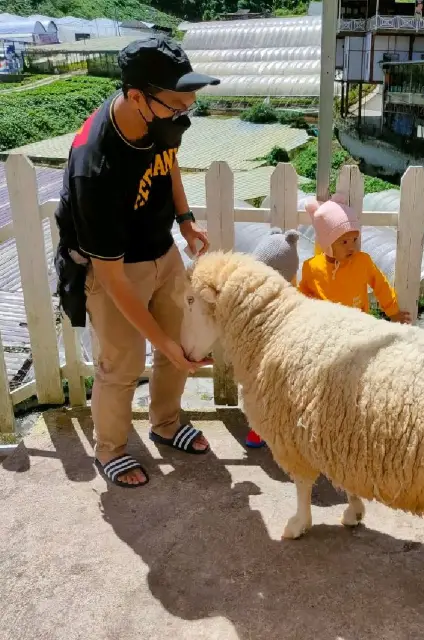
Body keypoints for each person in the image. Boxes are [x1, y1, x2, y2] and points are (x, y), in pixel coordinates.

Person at [54, 35, 220, 488]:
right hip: (114, 269)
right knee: (122, 365)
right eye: (176, 105)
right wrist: (159, 346)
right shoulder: (96, 166)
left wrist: (184, 221)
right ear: (135, 97)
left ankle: (166, 423)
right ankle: (110, 450)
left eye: (189, 105)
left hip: (161, 249)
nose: (182, 115)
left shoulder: (157, 119)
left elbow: (169, 164)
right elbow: (109, 277)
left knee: (180, 343)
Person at [299, 195, 411, 324]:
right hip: (327, 328)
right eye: (344, 242)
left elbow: (381, 285)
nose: (352, 247)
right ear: (327, 243)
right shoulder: (312, 267)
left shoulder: (363, 261)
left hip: (359, 326)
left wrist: (393, 311)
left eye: (354, 239)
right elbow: (303, 297)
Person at [244, 227, 301, 448]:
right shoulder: (252, 292)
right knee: (259, 389)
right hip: (259, 354)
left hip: (284, 355)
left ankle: (283, 428)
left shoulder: (292, 295)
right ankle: (258, 427)